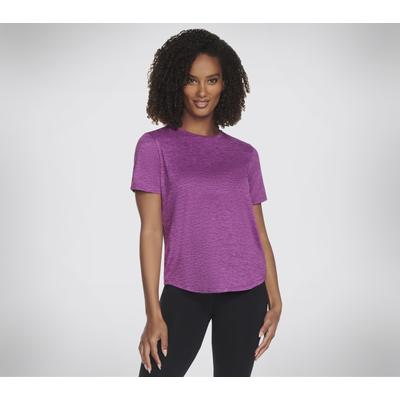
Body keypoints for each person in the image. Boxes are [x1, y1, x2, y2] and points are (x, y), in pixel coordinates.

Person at [130, 29, 282, 377]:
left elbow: (259, 233)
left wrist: (276, 299)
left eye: (212, 80)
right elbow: (151, 231)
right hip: (185, 291)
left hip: (247, 293)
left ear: (225, 84)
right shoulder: (154, 147)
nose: (202, 92)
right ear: (175, 83)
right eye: (191, 80)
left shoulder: (245, 155)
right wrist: (153, 313)